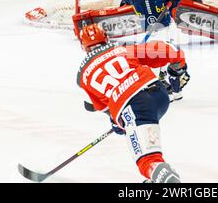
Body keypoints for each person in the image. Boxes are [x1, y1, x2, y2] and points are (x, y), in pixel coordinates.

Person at [76, 23, 190, 182]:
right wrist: (178, 65)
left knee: (147, 162)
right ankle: (156, 176)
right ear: (106, 38)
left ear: (83, 47)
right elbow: (164, 49)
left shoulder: (83, 77)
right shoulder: (123, 50)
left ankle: (163, 177)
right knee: (148, 150)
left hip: (135, 108)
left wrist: (117, 121)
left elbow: (101, 106)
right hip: (159, 94)